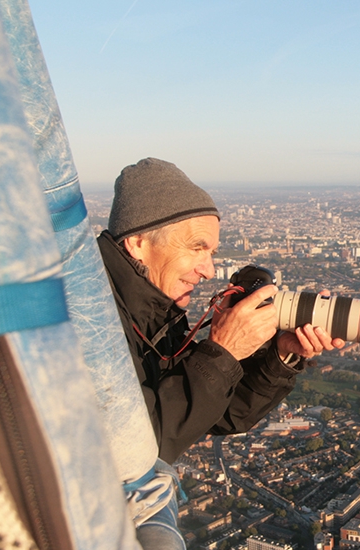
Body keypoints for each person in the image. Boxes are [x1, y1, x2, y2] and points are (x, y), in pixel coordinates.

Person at [97, 157, 344, 464]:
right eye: (197, 248)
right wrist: (222, 351)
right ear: (138, 242)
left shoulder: (154, 310)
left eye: (211, 253)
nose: (209, 271)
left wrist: (278, 357)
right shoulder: (89, 321)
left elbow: (214, 413)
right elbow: (139, 446)